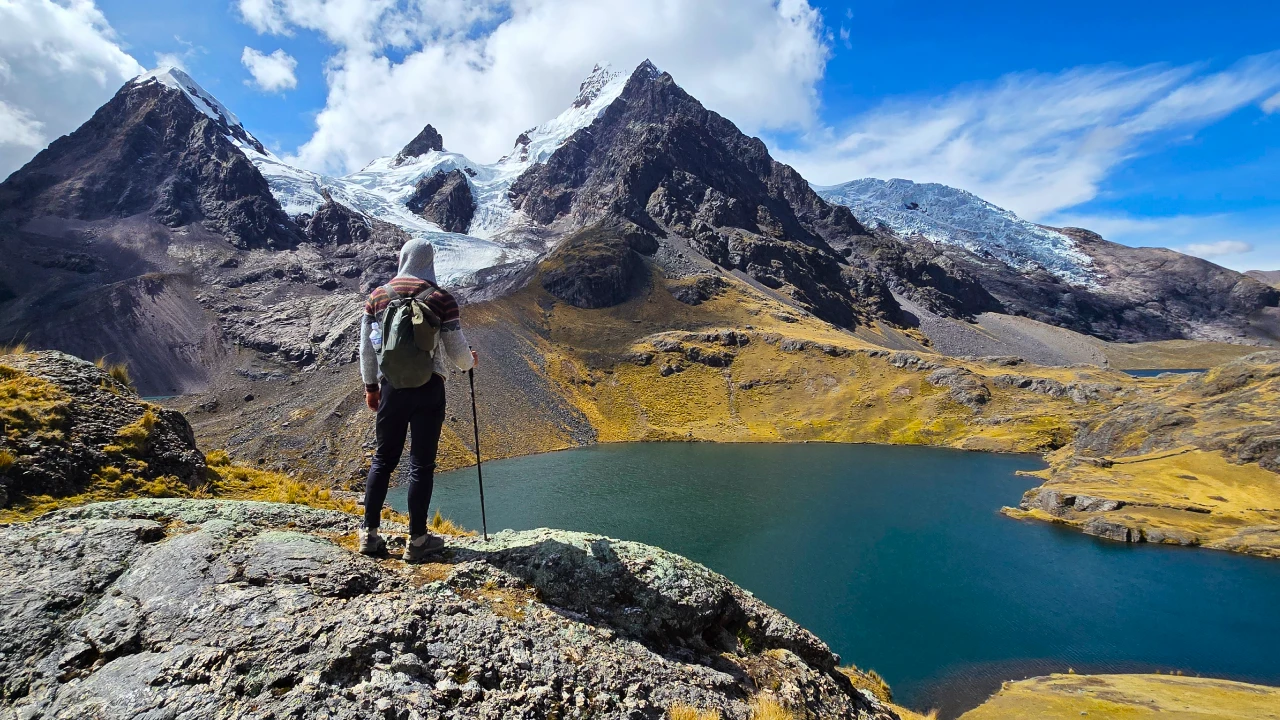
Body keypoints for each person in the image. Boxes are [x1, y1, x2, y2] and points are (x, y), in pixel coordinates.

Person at [358, 237, 477, 562]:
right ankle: (418, 540)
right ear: (429, 261)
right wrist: (470, 363)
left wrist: (371, 387)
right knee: (421, 465)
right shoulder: (440, 298)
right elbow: (456, 350)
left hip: (392, 388)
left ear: (403, 259)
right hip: (429, 388)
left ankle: (369, 536)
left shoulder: (378, 297)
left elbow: (368, 348)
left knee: (383, 459)